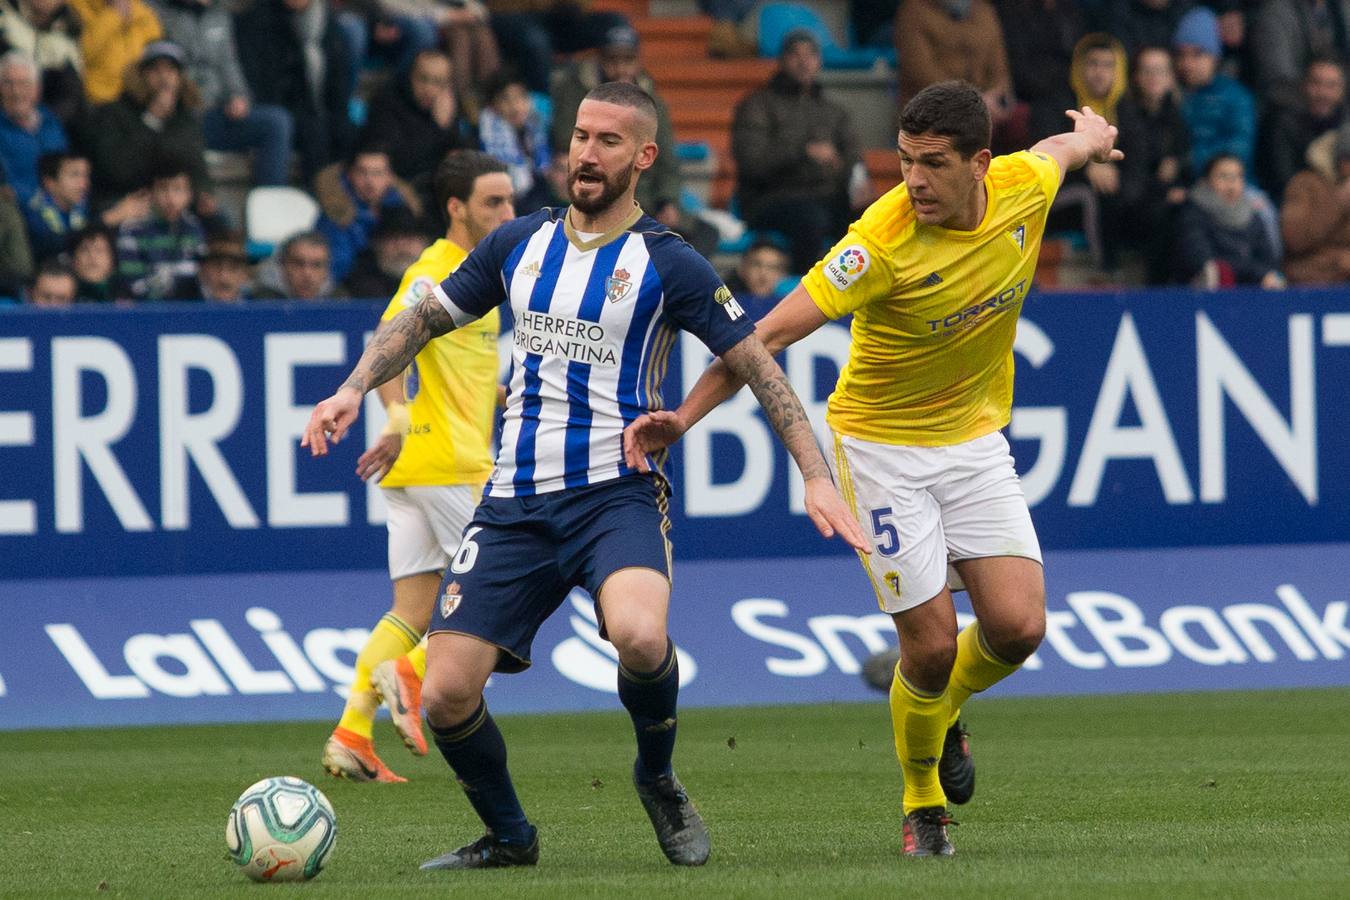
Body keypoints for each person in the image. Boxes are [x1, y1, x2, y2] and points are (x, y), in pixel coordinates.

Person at [302, 80, 866, 869]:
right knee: (445, 693)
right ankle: (509, 836)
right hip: (514, 503)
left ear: (644, 157)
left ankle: (658, 777)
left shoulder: (670, 262)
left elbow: (755, 364)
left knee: (640, 636)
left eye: (607, 141)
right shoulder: (518, 243)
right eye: (578, 136)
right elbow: (421, 318)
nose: (586, 154)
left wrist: (813, 472)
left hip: (616, 493)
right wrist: (353, 388)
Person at [624, 80, 1121, 858]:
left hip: (974, 441)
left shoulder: (1024, 186)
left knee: (1020, 629)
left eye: (931, 164)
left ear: (981, 164)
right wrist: (685, 418)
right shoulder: (879, 242)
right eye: (903, 161)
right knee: (928, 645)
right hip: (881, 450)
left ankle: (938, 705)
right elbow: (763, 338)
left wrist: (1093, 132)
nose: (913, 180)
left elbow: (1062, 150)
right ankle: (922, 801)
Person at [322, 149, 514, 784]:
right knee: (505, 588)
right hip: (447, 462)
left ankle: (352, 734)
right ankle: (411, 672)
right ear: (455, 208)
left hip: (418, 473)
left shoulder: (481, 275)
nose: (508, 212)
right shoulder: (435, 272)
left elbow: (464, 365)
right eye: (494, 202)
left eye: (511, 200)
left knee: (411, 609)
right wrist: (397, 421)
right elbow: (393, 339)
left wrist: (504, 396)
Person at [732, 29, 860, 274]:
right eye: (795, 55)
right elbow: (751, 163)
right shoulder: (758, 105)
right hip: (769, 199)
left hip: (828, 196)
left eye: (811, 55)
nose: (804, 62)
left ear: (819, 61)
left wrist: (852, 179)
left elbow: (854, 160)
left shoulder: (833, 111)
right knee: (811, 219)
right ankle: (806, 295)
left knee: (872, 216)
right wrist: (802, 153)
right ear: (781, 60)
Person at [149, 0, 294, 187]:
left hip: (216, 115)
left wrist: (238, 96)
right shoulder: (158, 13)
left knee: (276, 122)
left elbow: (228, 63)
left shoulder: (219, 15)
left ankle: (269, 203)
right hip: (180, 116)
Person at [1175, 153, 1285, 289]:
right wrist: (1251, 271)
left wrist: (1261, 274)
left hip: (1249, 288)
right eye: (1223, 176)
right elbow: (1199, 258)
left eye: (1237, 176)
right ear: (1206, 181)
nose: (1231, 184)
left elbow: (1268, 260)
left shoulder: (1252, 214)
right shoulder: (1193, 212)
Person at [116, 163, 205, 299]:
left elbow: (202, 277)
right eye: (163, 189)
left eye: (177, 189)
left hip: (190, 311)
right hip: (149, 313)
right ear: (151, 193)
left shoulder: (196, 228)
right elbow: (134, 286)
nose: (170, 198)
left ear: (189, 194)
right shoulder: (132, 231)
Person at [477, 69, 552, 213]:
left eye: (520, 97)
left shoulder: (537, 126)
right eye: (506, 99)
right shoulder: (483, 135)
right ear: (493, 104)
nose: (515, 106)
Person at [0, 50, 68, 204]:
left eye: (23, 83)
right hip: (17, 212)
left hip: (58, 209)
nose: (16, 92)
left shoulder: (52, 123)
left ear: (37, 89)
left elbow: (66, 171)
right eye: (8, 83)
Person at [254, 230, 339, 300]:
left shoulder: (342, 303)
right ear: (282, 265)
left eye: (317, 265)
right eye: (298, 263)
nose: (307, 273)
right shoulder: (258, 303)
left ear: (327, 270)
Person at [724, 236, 789, 322]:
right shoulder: (726, 306)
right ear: (742, 269)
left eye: (772, 267)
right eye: (757, 265)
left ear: (782, 274)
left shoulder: (788, 307)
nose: (763, 274)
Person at [195, 230, 252, 301]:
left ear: (245, 274)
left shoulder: (262, 304)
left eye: (233, 267)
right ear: (202, 272)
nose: (224, 277)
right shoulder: (181, 303)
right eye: (216, 266)